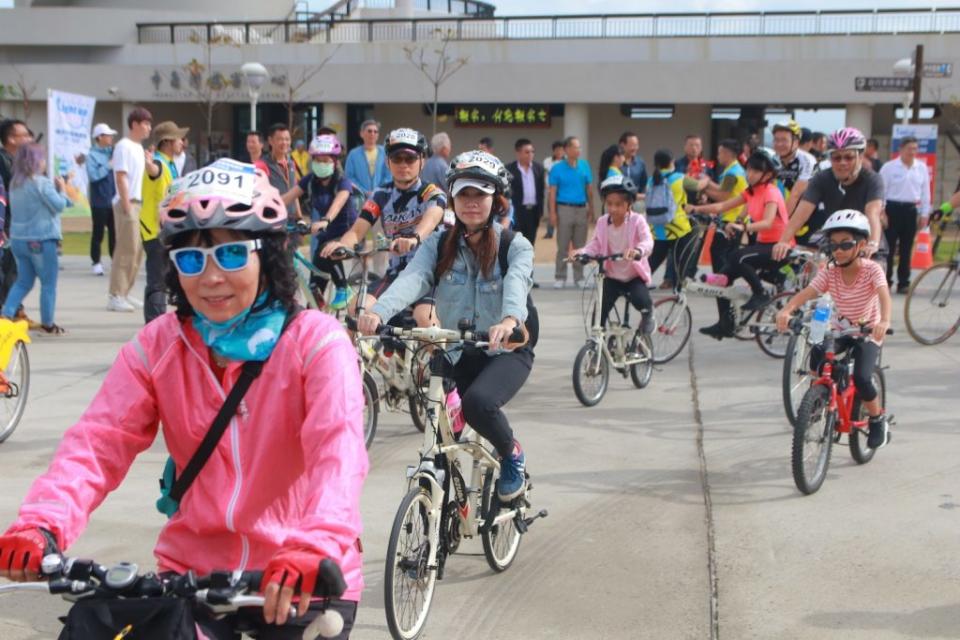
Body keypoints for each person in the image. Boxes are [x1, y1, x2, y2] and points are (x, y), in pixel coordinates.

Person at [0, 165, 367, 638]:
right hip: (191, 579)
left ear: (269, 255)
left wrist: (314, 544)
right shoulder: (159, 346)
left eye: (233, 254)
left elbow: (337, 453)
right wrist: (41, 524)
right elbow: (96, 443)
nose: (212, 277)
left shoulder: (316, 342)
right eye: (192, 259)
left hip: (299, 579)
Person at [357, 149, 533, 501]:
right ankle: (436, 505)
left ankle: (511, 455)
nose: (471, 203)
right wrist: (378, 311)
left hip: (506, 347)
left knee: (478, 403)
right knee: (435, 408)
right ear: (452, 198)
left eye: (480, 195)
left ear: (495, 200)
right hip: (457, 346)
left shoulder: (515, 245)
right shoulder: (439, 244)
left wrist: (510, 321)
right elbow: (414, 277)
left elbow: (516, 285)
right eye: (463, 194)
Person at [776, 209, 891, 449]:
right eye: (833, 245)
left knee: (861, 377)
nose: (838, 250)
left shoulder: (872, 269)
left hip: (867, 333)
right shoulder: (831, 272)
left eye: (845, 245)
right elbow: (807, 293)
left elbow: (884, 296)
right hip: (840, 330)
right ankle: (819, 398)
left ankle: (877, 419)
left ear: (860, 245)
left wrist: (884, 322)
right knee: (818, 354)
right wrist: (787, 310)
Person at [321, 128, 445, 328]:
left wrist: (414, 238)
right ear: (387, 162)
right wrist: (341, 245)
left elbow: (432, 218)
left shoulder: (431, 192)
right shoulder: (381, 194)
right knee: (356, 311)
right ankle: (356, 359)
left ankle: (437, 360)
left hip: (429, 276)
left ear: (422, 161)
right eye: (397, 158)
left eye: (410, 158)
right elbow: (356, 231)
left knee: (425, 320)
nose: (403, 164)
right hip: (396, 274)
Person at [688, 148, 790, 338]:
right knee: (721, 280)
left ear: (768, 175)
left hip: (778, 246)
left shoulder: (771, 192)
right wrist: (696, 208)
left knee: (738, 257)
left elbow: (767, 222)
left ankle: (761, 294)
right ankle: (725, 324)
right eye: (749, 169)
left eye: (755, 171)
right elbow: (723, 206)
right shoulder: (751, 192)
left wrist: (743, 228)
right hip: (762, 246)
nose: (750, 174)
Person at [773, 128, 885, 263]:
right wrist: (783, 241)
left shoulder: (872, 179)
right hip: (836, 243)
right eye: (836, 157)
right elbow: (802, 213)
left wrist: (872, 244)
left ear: (860, 157)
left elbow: (872, 213)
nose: (842, 162)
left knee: (870, 277)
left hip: (866, 242)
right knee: (813, 274)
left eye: (848, 157)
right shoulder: (821, 178)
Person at [571, 175, 654, 334]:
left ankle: (649, 315)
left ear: (629, 204)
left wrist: (638, 251)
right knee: (599, 314)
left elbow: (648, 241)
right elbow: (595, 244)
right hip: (612, 276)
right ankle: (597, 347)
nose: (613, 209)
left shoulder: (638, 221)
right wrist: (582, 253)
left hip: (633, 276)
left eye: (618, 204)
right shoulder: (603, 222)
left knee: (642, 301)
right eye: (609, 204)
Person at [282, 134, 358, 310]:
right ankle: (314, 315)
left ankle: (343, 288)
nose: (321, 163)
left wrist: (325, 220)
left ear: (334, 161)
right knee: (314, 287)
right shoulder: (310, 180)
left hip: (347, 233)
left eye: (325, 160)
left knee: (328, 249)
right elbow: (287, 198)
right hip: (326, 235)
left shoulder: (342, 181)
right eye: (317, 159)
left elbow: (339, 202)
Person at [2, 143, 70, 334]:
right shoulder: (41, 183)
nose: (43, 162)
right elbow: (58, 205)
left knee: (24, 281)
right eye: (41, 158)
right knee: (48, 283)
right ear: (35, 161)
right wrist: (63, 188)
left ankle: (6, 314)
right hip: (41, 238)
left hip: (18, 239)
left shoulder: (15, 184)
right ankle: (48, 323)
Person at [141, 120, 188, 324]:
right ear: (168, 141)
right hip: (155, 232)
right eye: (179, 138)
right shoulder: (160, 163)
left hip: (164, 231)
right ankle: (154, 324)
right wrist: (149, 164)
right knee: (157, 282)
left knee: (163, 279)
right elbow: (154, 171)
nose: (182, 142)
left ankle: (156, 322)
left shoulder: (169, 163)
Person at [107, 106, 152, 313]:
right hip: (128, 202)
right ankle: (115, 294)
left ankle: (125, 292)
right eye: (145, 123)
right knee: (126, 249)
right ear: (134, 124)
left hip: (140, 203)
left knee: (137, 251)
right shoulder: (123, 146)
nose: (148, 128)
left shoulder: (139, 148)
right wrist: (126, 203)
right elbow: (121, 176)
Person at [879, 135, 930, 292]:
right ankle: (885, 281)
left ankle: (904, 282)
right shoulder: (889, 167)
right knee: (889, 247)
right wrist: (882, 212)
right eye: (909, 148)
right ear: (901, 149)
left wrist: (924, 214)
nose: (912, 152)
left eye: (915, 149)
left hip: (910, 210)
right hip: (892, 209)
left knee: (907, 248)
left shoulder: (921, 168)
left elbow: (925, 192)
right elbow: (881, 191)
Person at [645, 149, 696, 290]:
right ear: (672, 161)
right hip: (678, 228)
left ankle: (637, 283)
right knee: (681, 260)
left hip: (658, 228)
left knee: (654, 260)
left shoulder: (651, 180)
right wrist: (706, 180)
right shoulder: (680, 178)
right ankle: (678, 289)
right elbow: (698, 186)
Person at [549, 136, 594, 288]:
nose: (578, 150)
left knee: (580, 245)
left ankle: (579, 277)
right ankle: (560, 276)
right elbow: (552, 192)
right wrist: (553, 213)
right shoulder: (557, 168)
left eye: (579, 147)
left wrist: (591, 209)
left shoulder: (584, 165)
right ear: (567, 149)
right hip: (564, 208)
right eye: (575, 147)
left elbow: (589, 189)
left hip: (581, 208)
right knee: (562, 244)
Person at [0, 119, 32, 311]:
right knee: (9, 271)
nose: (28, 138)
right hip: (8, 226)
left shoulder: (17, 161)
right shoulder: (4, 161)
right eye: (24, 135)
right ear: (12, 139)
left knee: (15, 271)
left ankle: (13, 311)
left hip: (18, 224)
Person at [82, 123, 118, 276]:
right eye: (108, 135)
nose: (111, 138)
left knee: (114, 233)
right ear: (99, 138)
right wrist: (108, 166)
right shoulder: (91, 156)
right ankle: (96, 262)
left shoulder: (114, 152)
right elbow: (94, 176)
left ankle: (114, 260)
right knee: (98, 233)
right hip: (99, 201)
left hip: (114, 199)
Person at [506, 138, 545, 256]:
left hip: (533, 213)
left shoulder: (539, 168)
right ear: (518, 153)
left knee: (530, 245)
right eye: (527, 152)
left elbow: (541, 192)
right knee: (515, 244)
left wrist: (541, 211)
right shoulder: (509, 169)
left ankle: (528, 273)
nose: (530, 155)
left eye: (532, 152)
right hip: (517, 212)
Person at [771, 119, 816, 217]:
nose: (779, 144)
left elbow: (796, 194)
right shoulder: (772, 159)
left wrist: (781, 223)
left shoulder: (807, 160)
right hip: (781, 213)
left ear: (796, 142)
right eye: (776, 140)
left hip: (808, 216)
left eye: (784, 140)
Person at [264, 123, 303, 224]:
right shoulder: (262, 165)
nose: (284, 142)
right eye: (280, 139)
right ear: (270, 141)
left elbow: (295, 191)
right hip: (273, 219)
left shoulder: (291, 163)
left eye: (287, 139)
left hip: (292, 220)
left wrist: (300, 218)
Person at [344, 119, 389, 198]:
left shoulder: (385, 153)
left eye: (375, 132)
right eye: (369, 131)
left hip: (382, 196)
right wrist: (364, 191)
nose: (372, 134)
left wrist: (378, 191)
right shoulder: (353, 154)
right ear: (361, 134)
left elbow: (389, 175)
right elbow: (349, 177)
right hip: (359, 198)